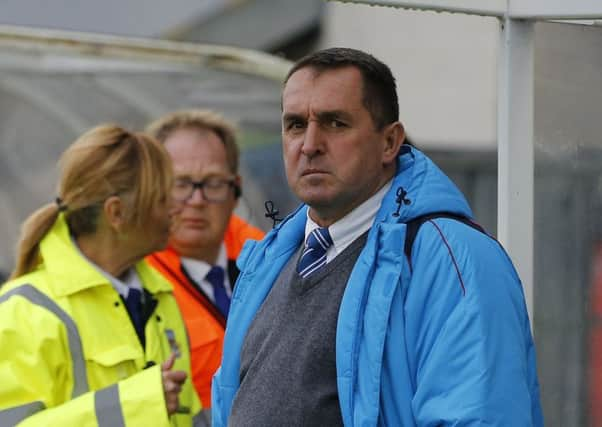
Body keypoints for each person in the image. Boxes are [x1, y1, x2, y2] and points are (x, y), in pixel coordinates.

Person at [212, 48, 544, 426]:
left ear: (390, 143)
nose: (310, 144)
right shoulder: (269, 258)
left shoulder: (453, 259)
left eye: (335, 123)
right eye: (295, 125)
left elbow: (481, 415)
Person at [0, 125, 204, 426]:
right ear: (116, 213)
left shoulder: (162, 297)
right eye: (162, 198)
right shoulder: (23, 312)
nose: (177, 208)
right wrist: (137, 404)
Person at [145, 110, 264, 410]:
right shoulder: (132, 285)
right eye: (181, 184)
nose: (196, 201)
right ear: (151, 189)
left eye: (212, 183)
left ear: (235, 191)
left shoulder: (272, 265)